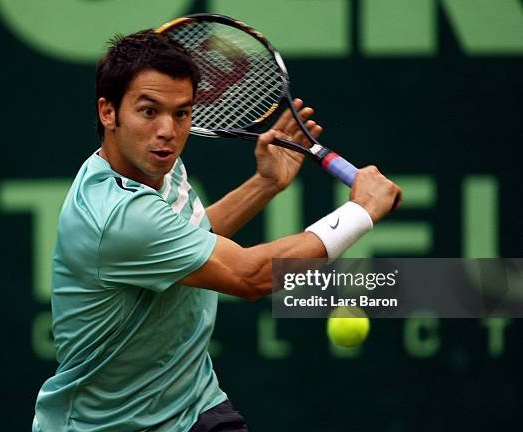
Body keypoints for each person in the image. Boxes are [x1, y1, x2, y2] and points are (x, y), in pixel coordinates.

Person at [32, 30, 401, 432]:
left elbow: (191, 237)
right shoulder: (118, 216)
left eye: (181, 113)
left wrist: (265, 184)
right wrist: (360, 211)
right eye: (149, 111)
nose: (168, 131)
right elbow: (249, 276)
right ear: (108, 112)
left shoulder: (154, 165)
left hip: (194, 408)